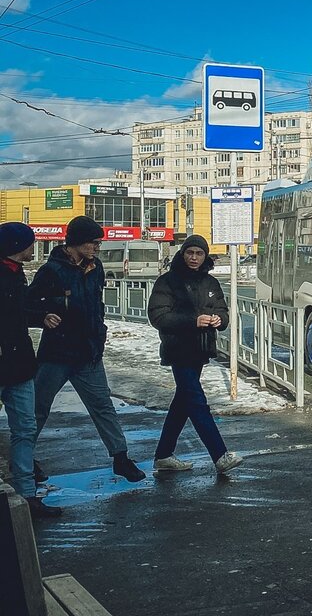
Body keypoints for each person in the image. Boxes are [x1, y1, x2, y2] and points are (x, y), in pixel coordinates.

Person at [28, 216, 145, 482]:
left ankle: (121, 458)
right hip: (56, 354)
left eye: (98, 243)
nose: (97, 247)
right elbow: (27, 305)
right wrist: (46, 313)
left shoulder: (96, 267)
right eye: (93, 242)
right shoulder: (52, 271)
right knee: (38, 408)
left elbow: (97, 304)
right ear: (76, 242)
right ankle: (23, 460)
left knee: (103, 405)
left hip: (88, 353)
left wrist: (99, 334)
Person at [146, 235, 242, 474]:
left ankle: (163, 455)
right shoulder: (168, 281)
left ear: (205, 257)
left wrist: (220, 320)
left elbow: (223, 311)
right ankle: (220, 455)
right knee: (197, 401)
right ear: (183, 254)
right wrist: (193, 320)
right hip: (178, 349)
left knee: (183, 402)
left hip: (201, 349)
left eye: (199, 254)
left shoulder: (210, 283)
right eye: (190, 253)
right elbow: (158, 316)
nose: (194, 258)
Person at [0, 223, 62, 518]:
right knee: (23, 429)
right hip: (7, 363)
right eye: (29, 243)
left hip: (20, 366)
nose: (32, 247)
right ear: (15, 245)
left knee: (25, 429)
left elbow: (19, 312)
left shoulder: (16, 274)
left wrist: (40, 316)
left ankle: (26, 497)